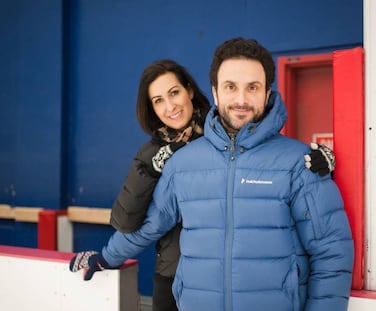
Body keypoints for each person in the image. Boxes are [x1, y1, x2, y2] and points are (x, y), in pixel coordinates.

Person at [69, 47, 342, 311]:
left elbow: (332, 252)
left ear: (267, 92)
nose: (241, 99)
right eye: (230, 86)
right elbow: (150, 225)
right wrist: (106, 257)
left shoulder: (298, 161)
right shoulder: (182, 162)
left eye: (253, 87)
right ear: (215, 92)